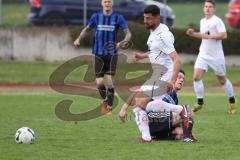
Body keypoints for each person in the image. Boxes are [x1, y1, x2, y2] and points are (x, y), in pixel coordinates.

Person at [74, 0, 131, 114]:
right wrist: (79, 38)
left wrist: (122, 42)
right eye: (105, 1)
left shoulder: (118, 18)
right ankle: (106, 100)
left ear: (112, 3)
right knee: (99, 83)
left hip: (112, 54)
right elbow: (87, 29)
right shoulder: (96, 17)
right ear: (102, 3)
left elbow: (128, 33)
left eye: (109, 1)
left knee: (109, 81)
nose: (107, 4)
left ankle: (109, 107)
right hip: (98, 54)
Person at [186, 0, 237, 114]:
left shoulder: (217, 21)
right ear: (203, 8)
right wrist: (193, 33)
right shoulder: (202, 21)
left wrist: (209, 36)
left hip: (216, 56)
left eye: (210, 7)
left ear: (214, 9)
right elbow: (204, 35)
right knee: (196, 77)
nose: (207, 8)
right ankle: (200, 102)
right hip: (203, 54)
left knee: (222, 80)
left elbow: (224, 35)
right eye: (206, 6)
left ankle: (232, 102)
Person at [119, 70, 197, 142]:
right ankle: (187, 137)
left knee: (180, 132)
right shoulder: (162, 85)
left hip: (161, 122)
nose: (182, 80)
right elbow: (136, 92)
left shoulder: (175, 97)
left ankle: (156, 136)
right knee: (186, 111)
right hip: (151, 119)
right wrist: (123, 109)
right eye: (179, 77)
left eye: (183, 78)